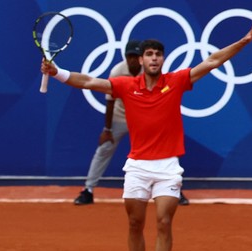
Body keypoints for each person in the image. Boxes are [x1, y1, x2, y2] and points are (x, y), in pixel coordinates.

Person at [43, 20, 252, 251]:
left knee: (163, 221)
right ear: (141, 60)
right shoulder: (125, 85)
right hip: (137, 165)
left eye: (158, 54)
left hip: (168, 166)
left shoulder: (176, 81)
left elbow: (212, 61)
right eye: (149, 54)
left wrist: (245, 40)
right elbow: (87, 82)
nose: (154, 58)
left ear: (163, 59)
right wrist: (56, 72)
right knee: (135, 223)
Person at [74, 38, 190, 207]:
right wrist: (107, 129)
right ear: (126, 57)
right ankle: (88, 190)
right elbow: (110, 101)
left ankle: (174, 189)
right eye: (130, 57)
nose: (134, 60)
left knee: (166, 148)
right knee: (104, 149)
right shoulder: (117, 71)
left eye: (136, 56)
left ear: (141, 58)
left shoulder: (150, 68)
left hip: (145, 117)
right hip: (120, 117)